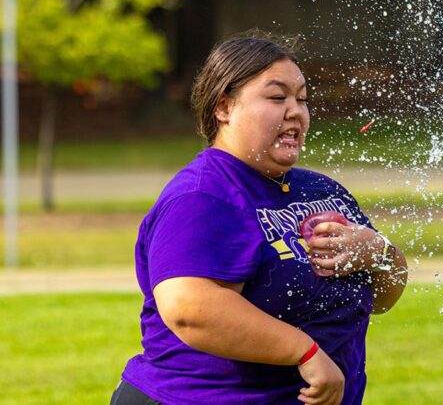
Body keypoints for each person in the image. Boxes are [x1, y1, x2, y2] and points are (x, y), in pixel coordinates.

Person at [111, 31, 408, 405]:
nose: (295, 111)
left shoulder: (322, 191)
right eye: (276, 96)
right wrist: (305, 353)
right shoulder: (203, 194)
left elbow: (382, 298)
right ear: (223, 107)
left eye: (302, 99)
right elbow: (190, 309)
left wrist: (380, 252)